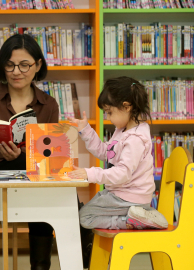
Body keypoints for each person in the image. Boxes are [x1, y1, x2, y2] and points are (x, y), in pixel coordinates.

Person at [0, 34, 60, 270]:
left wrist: (24, 157)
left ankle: (40, 265)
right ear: (2, 66)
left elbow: (49, 157)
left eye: (24, 65)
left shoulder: (49, 105)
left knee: (51, 190)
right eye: (10, 64)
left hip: (31, 175)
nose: (17, 71)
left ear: (37, 65)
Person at [68, 76, 168, 231]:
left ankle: (130, 221)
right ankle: (135, 217)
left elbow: (123, 173)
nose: (108, 118)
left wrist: (90, 174)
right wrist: (85, 129)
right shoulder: (123, 131)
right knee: (86, 211)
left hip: (129, 197)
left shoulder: (134, 139)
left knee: (85, 217)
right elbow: (105, 152)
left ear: (126, 107)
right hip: (122, 194)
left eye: (109, 112)